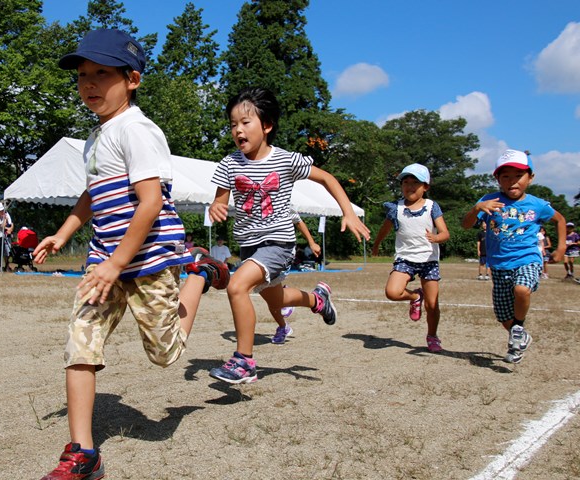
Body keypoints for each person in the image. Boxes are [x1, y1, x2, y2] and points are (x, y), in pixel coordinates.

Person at [34, 29, 230, 480]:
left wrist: (119, 264)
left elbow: (151, 202)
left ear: (133, 79)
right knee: (79, 341)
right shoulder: (95, 137)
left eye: (102, 73)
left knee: (165, 355)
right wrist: (63, 235)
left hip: (147, 262)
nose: (89, 83)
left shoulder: (137, 130)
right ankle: (83, 453)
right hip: (106, 263)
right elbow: (92, 195)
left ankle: (198, 271)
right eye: (83, 75)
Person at [207, 87, 370, 383]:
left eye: (245, 122)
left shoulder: (285, 160)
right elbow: (219, 200)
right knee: (276, 298)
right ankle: (318, 300)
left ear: (266, 125)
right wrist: (216, 207)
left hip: (278, 243)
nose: (238, 130)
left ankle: (244, 361)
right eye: (233, 124)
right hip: (248, 245)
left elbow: (327, 178)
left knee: (236, 286)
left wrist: (347, 211)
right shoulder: (229, 164)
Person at [462, 149, 566, 364]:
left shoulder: (537, 204)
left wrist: (561, 247)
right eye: (506, 176)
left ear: (530, 177)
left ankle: (518, 327)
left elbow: (560, 220)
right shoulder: (489, 200)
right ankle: (519, 336)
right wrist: (476, 208)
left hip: (527, 259)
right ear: (497, 178)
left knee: (522, 288)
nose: (512, 182)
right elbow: (465, 225)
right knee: (502, 317)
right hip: (499, 265)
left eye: (518, 176)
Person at [371, 163, 450, 353]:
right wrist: (377, 243)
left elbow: (445, 232)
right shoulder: (395, 208)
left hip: (429, 260)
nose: (409, 186)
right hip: (405, 258)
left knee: (432, 304)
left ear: (426, 187)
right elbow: (385, 228)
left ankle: (432, 336)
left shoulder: (432, 207)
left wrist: (436, 237)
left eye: (415, 182)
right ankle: (415, 296)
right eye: (405, 182)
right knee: (392, 292)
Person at [272, 210, 322, 345]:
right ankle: (283, 324)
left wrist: (311, 243)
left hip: (281, 249)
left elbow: (297, 220)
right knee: (270, 296)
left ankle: (309, 299)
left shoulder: (280, 196)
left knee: (241, 286)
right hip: (258, 250)